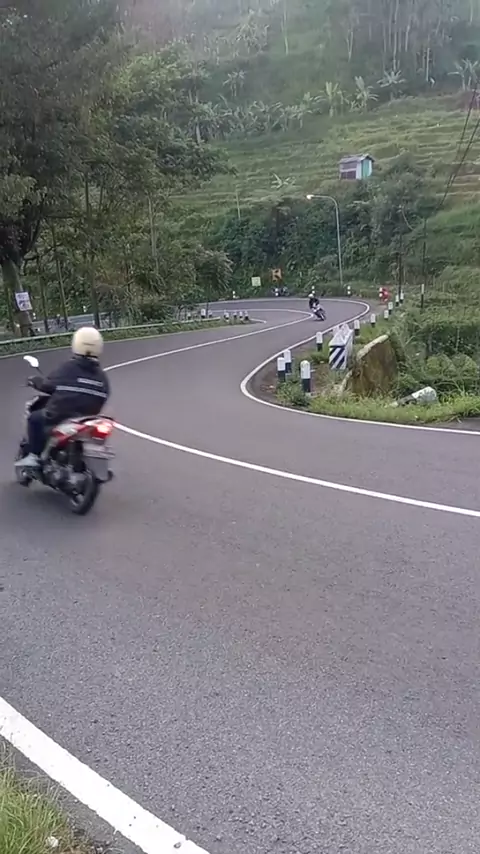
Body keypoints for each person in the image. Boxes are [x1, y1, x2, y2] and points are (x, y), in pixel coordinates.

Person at [17, 327, 110, 469]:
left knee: (34, 418)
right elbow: (105, 394)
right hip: (88, 417)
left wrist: (35, 381)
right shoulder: (101, 375)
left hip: (61, 415)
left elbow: (48, 385)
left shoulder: (68, 368)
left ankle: (34, 456)